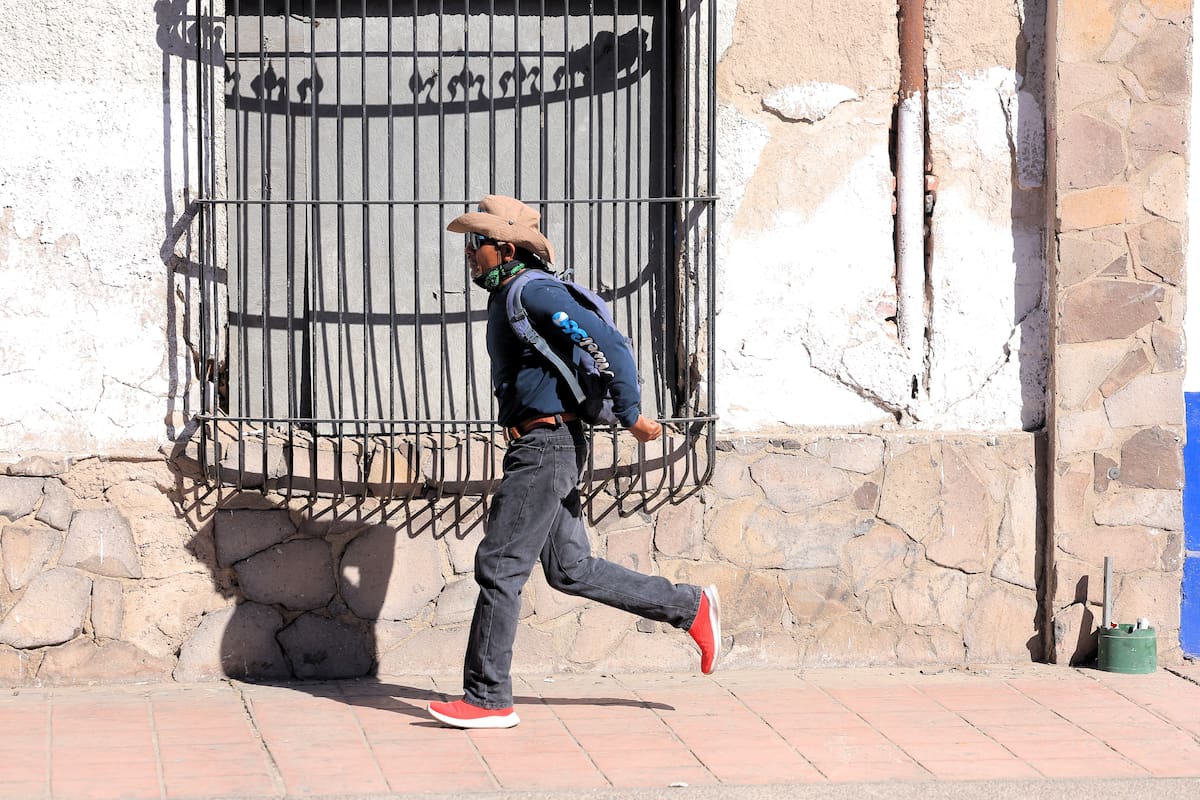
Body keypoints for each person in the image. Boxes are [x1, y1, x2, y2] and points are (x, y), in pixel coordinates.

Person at [427, 195, 721, 730]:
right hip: (543, 444)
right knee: (569, 569)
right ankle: (689, 607)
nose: (470, 253)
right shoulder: (511, 295)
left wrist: (630, 413)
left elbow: (608, 342)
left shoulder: (533, 290)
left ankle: (487, 698)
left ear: (506, 248)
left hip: (545, 446)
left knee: (500, 565)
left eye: (477, 243)